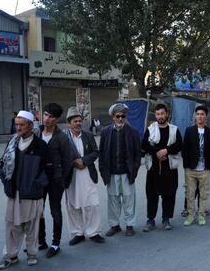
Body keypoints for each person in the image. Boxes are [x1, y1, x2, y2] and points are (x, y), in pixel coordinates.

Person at [0, 111, 48, 270]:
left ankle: (32, 254)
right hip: (14, 192)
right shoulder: (12, 142)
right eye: (16, 124)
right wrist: (6, 182)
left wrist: (38, 184)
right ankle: (10, 256)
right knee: (12, 226)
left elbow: (47, 170)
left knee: (32, 226)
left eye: (21, 125)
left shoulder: (40, 145)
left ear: (30, 126)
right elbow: (2, 165)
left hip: (31, 193)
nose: (18, 128)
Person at [63, 107, 105, 245]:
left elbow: (95, 152)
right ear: (69, 123)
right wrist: (74, 162)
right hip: (71, 175)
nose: (78, 123)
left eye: (80, 121)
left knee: (92, 204)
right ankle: (78, 233)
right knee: (73, 206)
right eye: (75, 121)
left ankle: (94, 232)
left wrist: (84, 161)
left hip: (87, 173)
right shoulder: (63, 138)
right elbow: (59, 155)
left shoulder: (88, 135)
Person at [99, 103, 141, 237]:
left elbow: (137, 154)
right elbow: (102, 153)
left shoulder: (132, 132)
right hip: (111, 173)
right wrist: (102, 170)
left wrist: (134, 170)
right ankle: (114, 225)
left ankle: (130, 225)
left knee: (129, 200)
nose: (121, 118)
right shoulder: (105, 132)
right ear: (113, 117)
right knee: (113, 201)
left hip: (127, 173)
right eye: (118, 116)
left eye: (123, 116)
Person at [38, 103, 72, 258]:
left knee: (55, 211)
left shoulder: (62, 137)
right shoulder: (36, 132)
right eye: (45, 114)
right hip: (38, 179)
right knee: (38, 210)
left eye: (51, 116)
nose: (47, 119)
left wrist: (61, 179)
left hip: (55, 179)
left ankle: (55, 243)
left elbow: (67, 161)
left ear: (57, 119)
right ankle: (40, 241)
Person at [142, 104, 182, 231]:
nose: (160, 116)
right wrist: (157, 152)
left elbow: (179, 145)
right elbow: (144, 145)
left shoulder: (174, 129)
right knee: (152, 194)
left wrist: (166, 151)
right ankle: (150, 219)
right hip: (154, 168)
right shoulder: (150, 129)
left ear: (167, 114)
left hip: (169, 168)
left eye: (162, 114)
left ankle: (166, 219)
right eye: (158, 114)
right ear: (155, 115)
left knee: (169, 194)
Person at [181, 105, 210, 226]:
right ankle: (191, 215)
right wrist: (186, 166)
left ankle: (201, 215)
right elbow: (184, 150)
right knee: (190, 194)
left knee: (204, 194)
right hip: (191, 168)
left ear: (206, 116)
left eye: (202, 114)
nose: (200, 116)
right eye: (198, 114)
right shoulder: (189, 131)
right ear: (195, 116)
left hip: (204, 169)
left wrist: (209, 167)